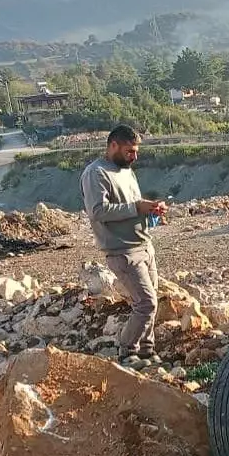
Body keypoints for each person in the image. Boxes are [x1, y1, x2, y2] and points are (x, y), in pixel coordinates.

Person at [81, 125, 166, 362]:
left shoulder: (127, 171)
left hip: (144, 245)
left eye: (136, 151)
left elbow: (133, 205)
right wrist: (137, 207)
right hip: (122, 251)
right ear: (113, 146)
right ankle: (127, 351)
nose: (134, 156)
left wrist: (151, 211)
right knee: (146, 303)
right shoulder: (95, 173)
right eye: (129, 151)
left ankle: (147, 351)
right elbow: (98, 211)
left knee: (151, 301)